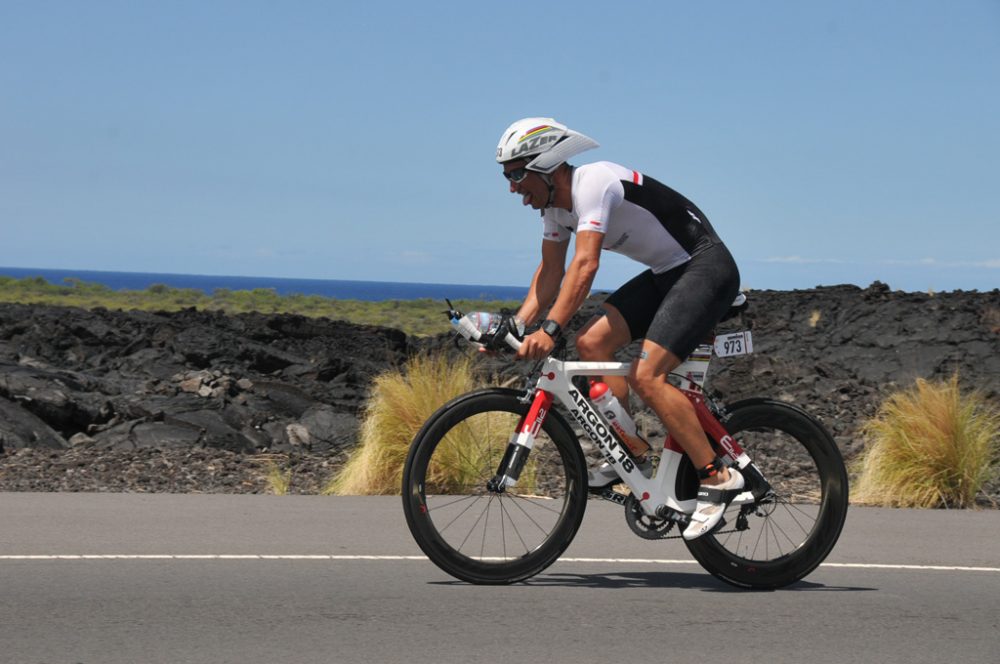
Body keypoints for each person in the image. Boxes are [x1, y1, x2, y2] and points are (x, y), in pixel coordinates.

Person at [497, 117, 744, 540]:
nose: (513, 188)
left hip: (706, 266)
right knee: (592, 342)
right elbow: (551, 271)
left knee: (649, 375)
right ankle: (630, 453)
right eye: (507, 177)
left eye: (518, 175)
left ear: (547, 163)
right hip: (669, 272)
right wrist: (517, 326)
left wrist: (550, 328)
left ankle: (718, 478)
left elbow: (585, 264)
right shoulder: (555, 208)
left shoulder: (593, 183)